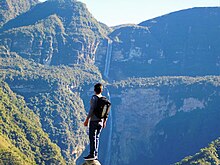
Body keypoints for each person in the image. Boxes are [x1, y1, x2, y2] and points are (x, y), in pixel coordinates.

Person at [83, 83, 108, 160]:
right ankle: (95, 154)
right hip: (101, 121)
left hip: (94, 120)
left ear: (94, 90)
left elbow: (92, 109)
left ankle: (92, 154)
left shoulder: (94, 98)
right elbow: (106, 111)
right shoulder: (104, 99)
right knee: (97, 137)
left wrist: (87, 119)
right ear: (101, 90)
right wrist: (104, 121)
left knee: (92, 137)